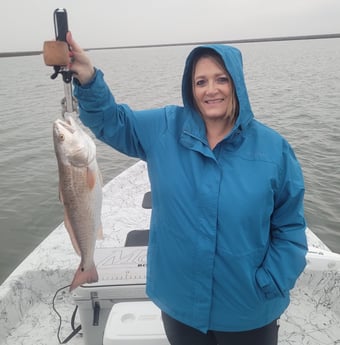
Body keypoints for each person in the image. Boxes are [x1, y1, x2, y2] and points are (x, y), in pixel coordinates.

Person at [66, 32, 308, 345]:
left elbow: (290, 228)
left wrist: (270, 281)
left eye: (221, 79)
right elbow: (112, 123)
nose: (211, 90)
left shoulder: (274, 149)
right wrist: (87, 78)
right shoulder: (165, 128)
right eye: (200, 81)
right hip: (181, 309)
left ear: (237, 82)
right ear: (190, 88)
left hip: (249, 310)